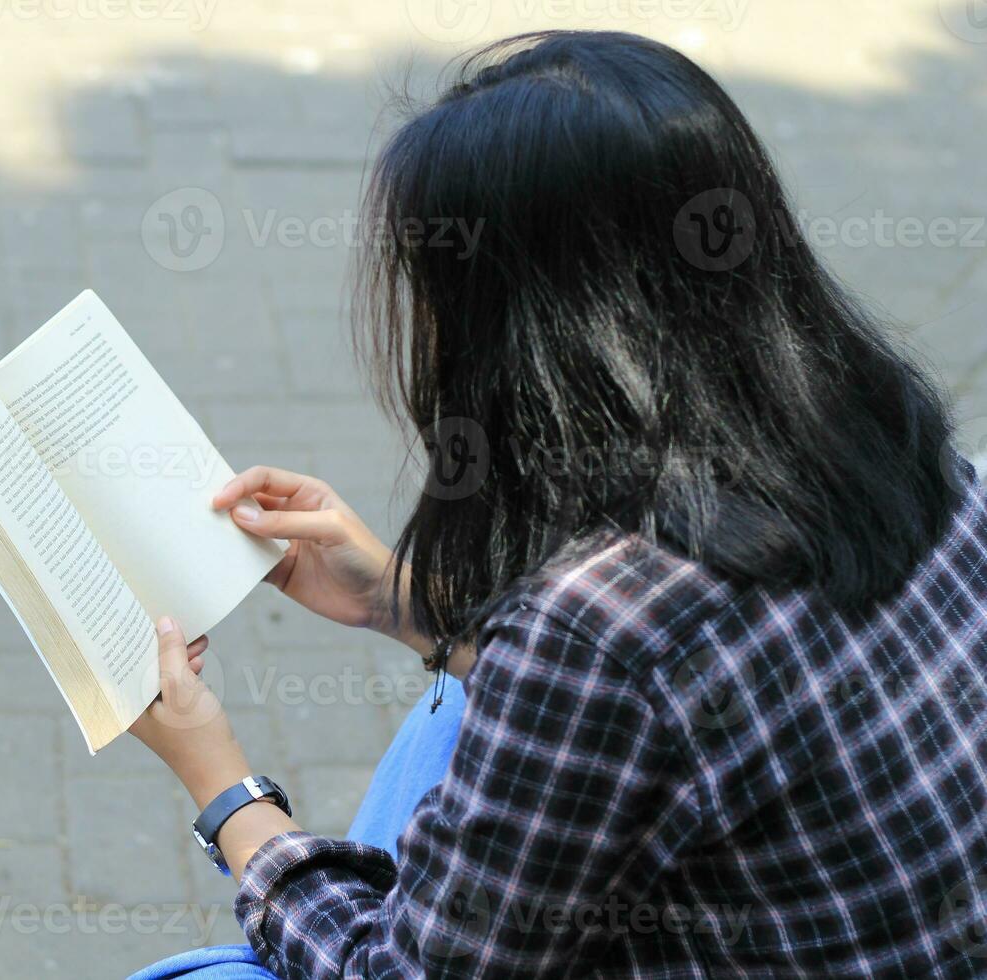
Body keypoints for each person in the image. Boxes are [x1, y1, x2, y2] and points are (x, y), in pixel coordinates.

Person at [131, 30, 987, 978]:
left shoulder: (598, 628)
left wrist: (222, 785)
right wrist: (395, 600)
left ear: (527, 333)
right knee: (454, 707)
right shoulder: (889, 434)